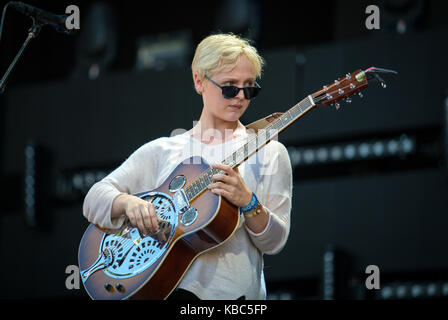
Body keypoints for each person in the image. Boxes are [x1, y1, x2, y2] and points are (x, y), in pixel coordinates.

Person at [83, 33, 293, 300]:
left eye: (250, 87)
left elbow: (275, 242)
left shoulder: (270, 151)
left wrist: (249, 202)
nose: (240, 96)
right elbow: (94, 198)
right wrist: (127, 203)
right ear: (199, 81)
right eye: (229, 86)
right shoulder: (163, 150)